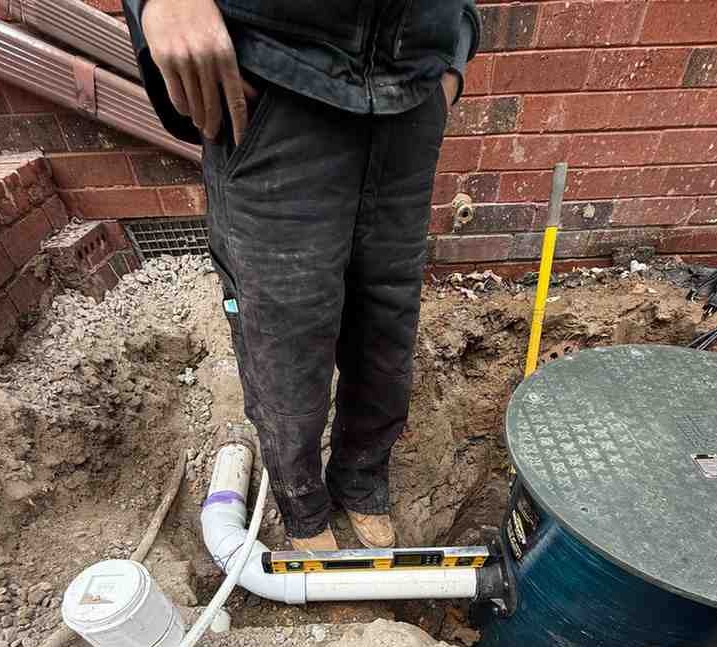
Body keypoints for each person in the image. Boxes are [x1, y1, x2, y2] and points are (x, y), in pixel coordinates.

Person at [123, 0, 480, 550]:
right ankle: (302, 503)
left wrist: (453, 53)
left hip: (410, 97)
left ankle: (361, 478)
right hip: (276, 86)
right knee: (286, 343)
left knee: (386, 328)